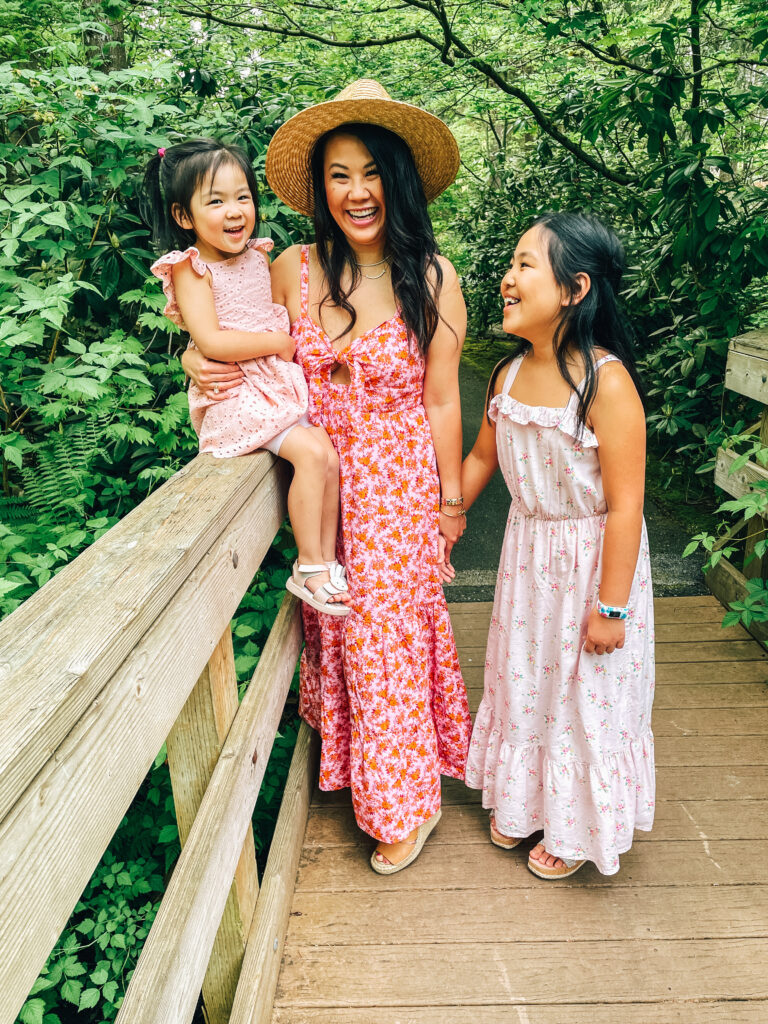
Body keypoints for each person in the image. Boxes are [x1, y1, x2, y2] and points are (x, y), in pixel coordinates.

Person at [183, 80, 472, 873]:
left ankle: (405, 807)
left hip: (398, 486)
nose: (356, 191)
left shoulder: (435, 278)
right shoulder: (293, 268)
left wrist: (450, 502)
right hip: (325, 487)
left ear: (400, 181)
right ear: (321, 190)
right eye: (339, 175)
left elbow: (444, 399)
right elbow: (240, 340)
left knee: (386, 639)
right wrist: (194, 356)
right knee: (341, 631)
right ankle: (370, 777)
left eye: (372, 172)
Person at [458, 211, 655, 878]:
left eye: (524, 265)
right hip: (528, 559)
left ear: (574, 289)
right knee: (526, 685)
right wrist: (445, 512)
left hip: (592, 565)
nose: (507, 279)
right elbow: (483, 458)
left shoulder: (607, 382)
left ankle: (577, 824)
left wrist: (613, 607)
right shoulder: (507, 377)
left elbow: (627, 506)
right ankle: (525, 800)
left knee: (584, 694)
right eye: (511, 265)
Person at [142, 139, 350, 616]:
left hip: (270, 385)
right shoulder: (191, 269)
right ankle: (310, 565)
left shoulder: (258, 258)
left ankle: (326, 560)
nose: (234, 211)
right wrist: (278, 344)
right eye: (215, 201)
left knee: (326, 456)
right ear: (183, 216)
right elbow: (211, 342)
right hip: (238, 393)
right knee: (311, 453)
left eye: (242, 197)